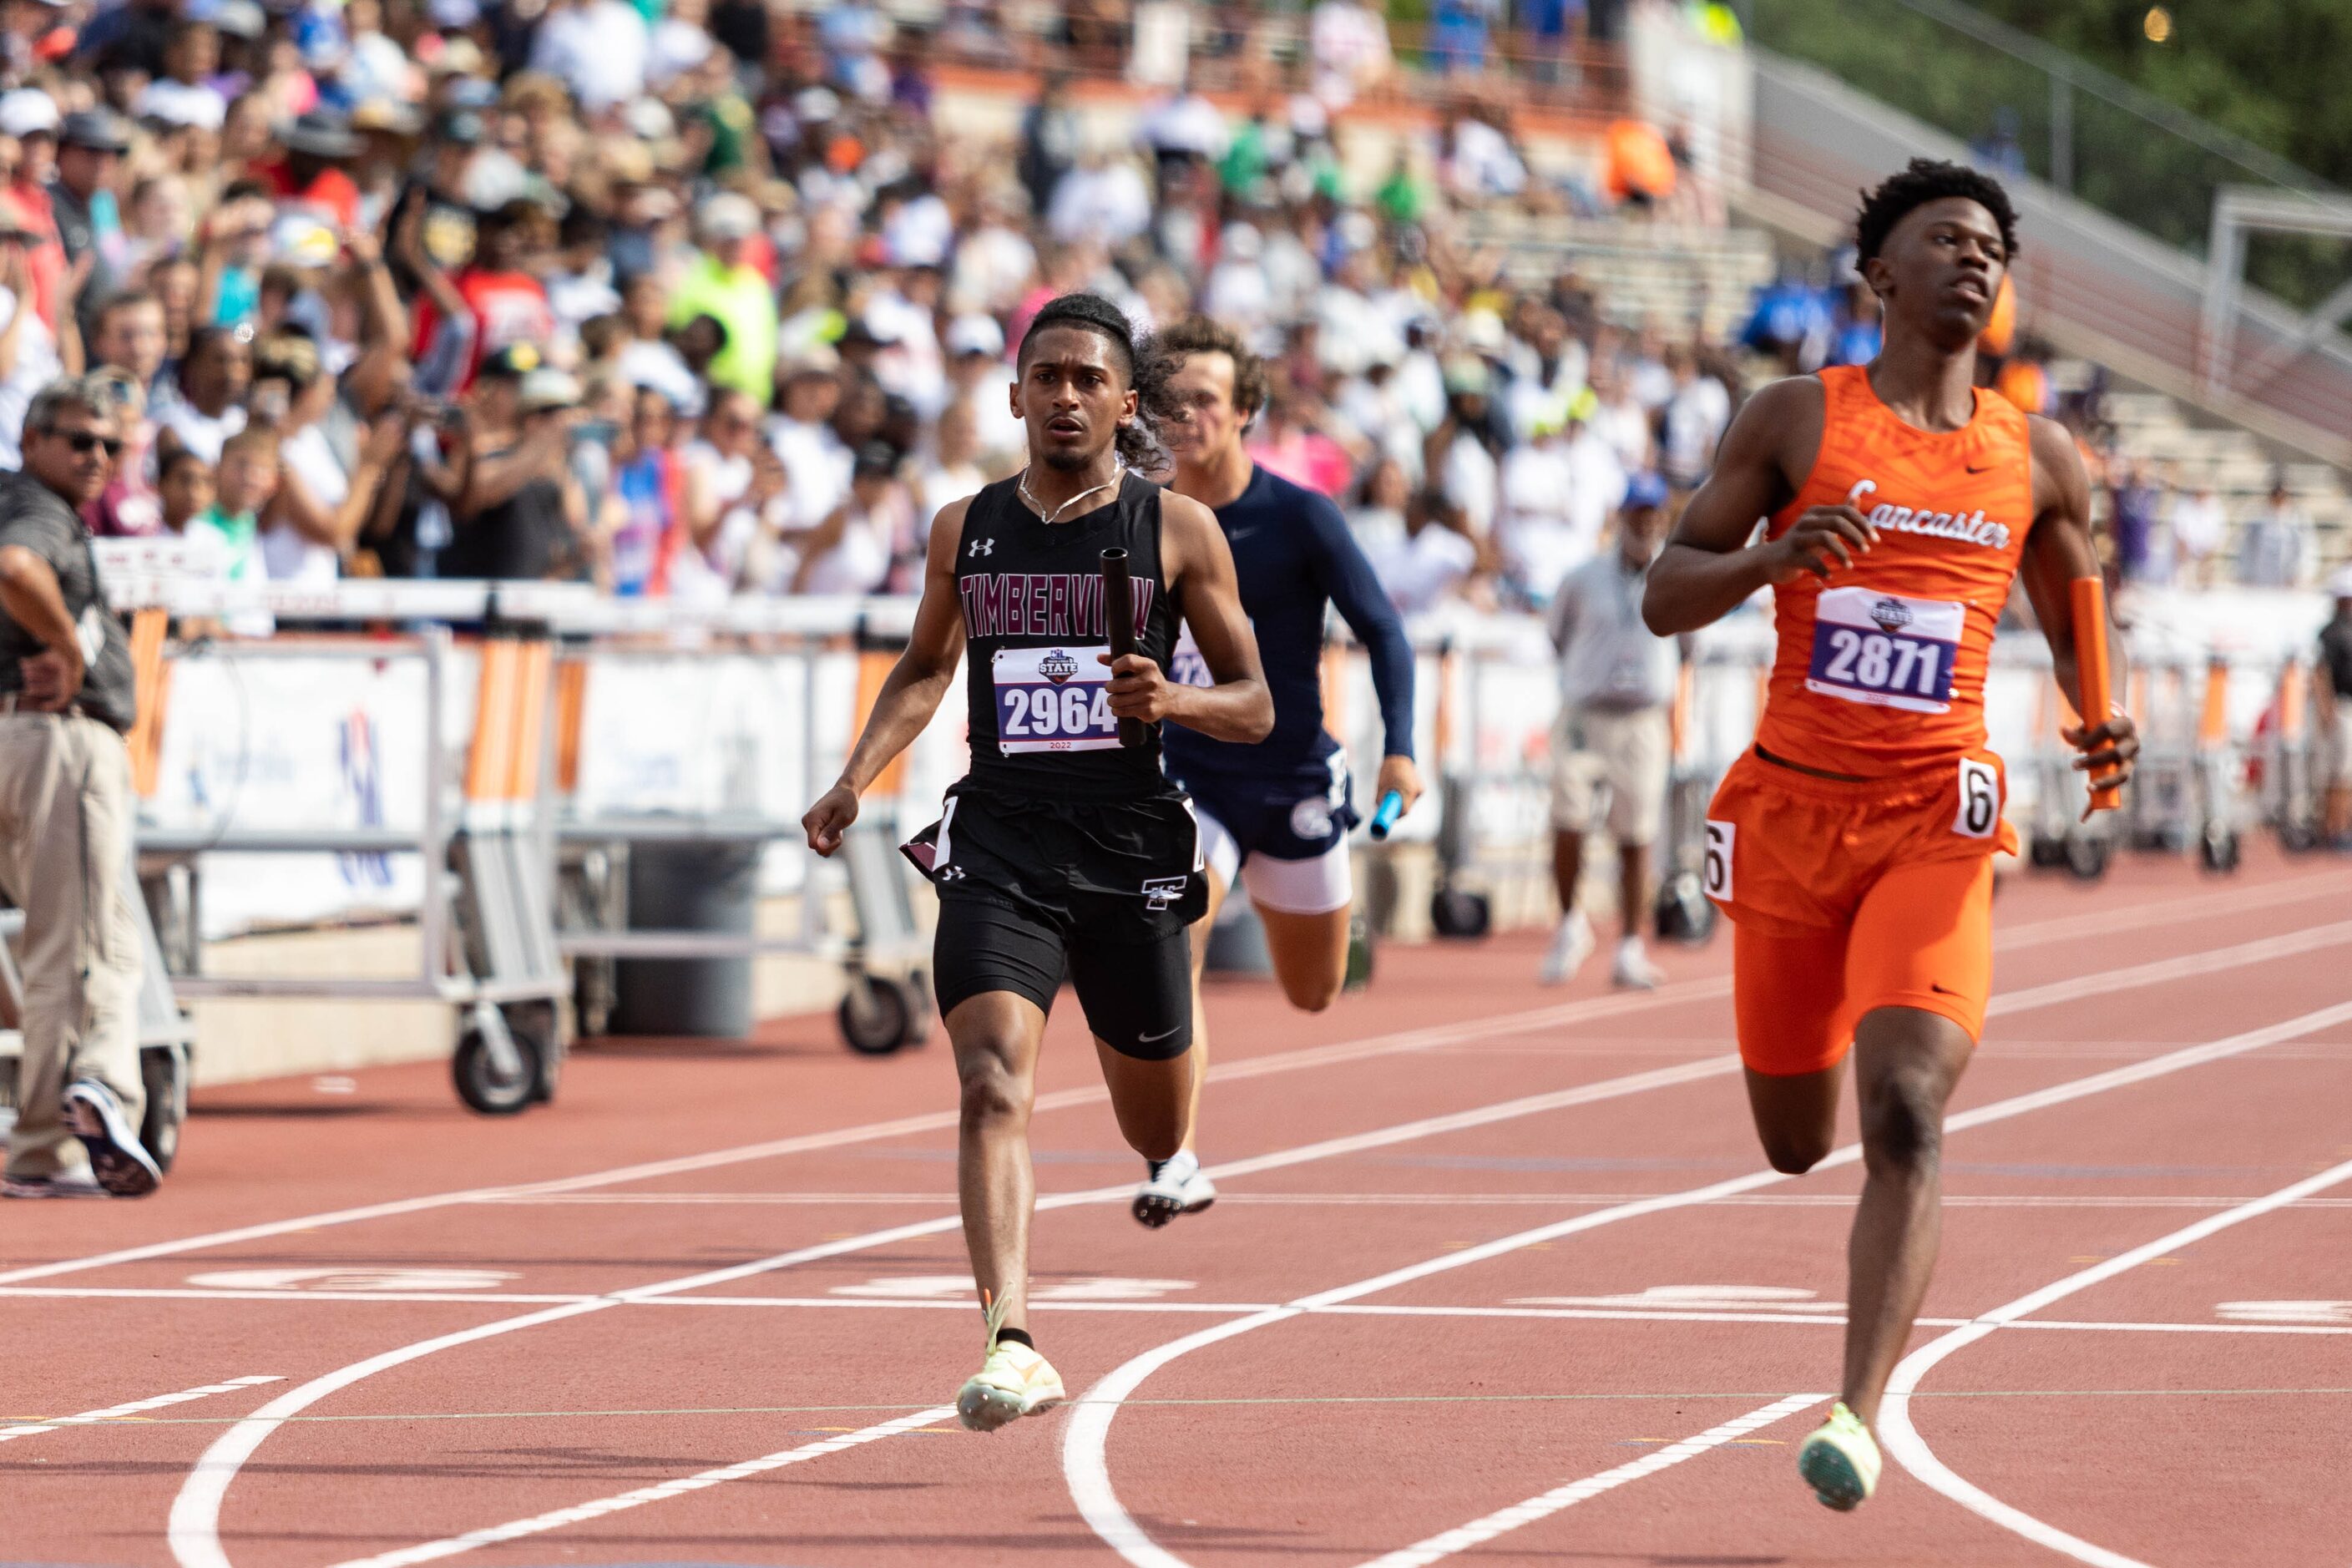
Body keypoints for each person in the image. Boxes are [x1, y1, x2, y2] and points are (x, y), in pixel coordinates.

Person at [1641, 161, 2138, 1511]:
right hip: (1791, 814)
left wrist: (2103, 721)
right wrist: (1767, 560)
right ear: (1879, 276)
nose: (1972, 261)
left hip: (1936, 815)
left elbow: (2075, 599)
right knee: (1796, 1139)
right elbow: (1663, 593)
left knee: (1907, 1114)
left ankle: (1854, 1413)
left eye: (1989, 246)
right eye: (1943, 240)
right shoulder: (1795, 419)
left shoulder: (2036, 455)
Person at [800, 294, 1271, 1430]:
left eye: (1087, 379)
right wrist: (857, 773)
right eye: (1046, 376)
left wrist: (1176, 698)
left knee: (1152, 1125)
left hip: (1130, 847)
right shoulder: (967, 526)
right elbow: (925, 666)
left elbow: (1256, 706)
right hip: (1002, 836)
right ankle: (1010, 1336)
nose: (1065, 396)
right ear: (1015, 396)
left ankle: (1169, 1131)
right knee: (989, 1077)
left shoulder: (1176, 530)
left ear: (1123, 403)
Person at [1143, 314, 1419, 1225]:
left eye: (1207, 401)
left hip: (1294, 776)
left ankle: (1347, 935)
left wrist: (1402, 750)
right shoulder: (1138, 518)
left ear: (1246, 410)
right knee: (1171, 935)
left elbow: (1383, 629)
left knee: (1313, 992)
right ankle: (1175, 1155)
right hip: (1188, 773)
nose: (1188, 418)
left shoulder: (1298, 517)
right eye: (1171, 401)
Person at [0, 376, 159, 1198]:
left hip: (20, 739)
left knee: (109, 939)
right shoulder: (40, 511)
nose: (96, 456)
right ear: (32, 441)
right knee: (79, 944)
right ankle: (49, 1140)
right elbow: (17, 565)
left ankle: (90, 1090)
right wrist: (64, 643)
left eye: (110, 445)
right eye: (77, 439)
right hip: (56, 741)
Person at [1542, 473, 1679, 989]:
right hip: (1585, 712)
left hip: (1642, 717)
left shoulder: (1675, 575)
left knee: (1636, 833)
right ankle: (1570, 923)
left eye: (1651, 515)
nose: (1643, 524)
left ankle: (1628, 944)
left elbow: (1688, 646)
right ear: (1621, 518)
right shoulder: (1583, 577)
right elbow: (1556, 634)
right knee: (1568, 816)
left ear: (1662, 520)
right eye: (1635, 514)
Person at [2318, 569, 2352, 844]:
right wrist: (2326, 708)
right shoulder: (2332, 633)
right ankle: (2335, 829)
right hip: (2342, 706)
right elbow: (2322, 674)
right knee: (2342, 771)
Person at [2237, 481, 2310, 589]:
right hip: (2260, 580)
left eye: (2282, 498)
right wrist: (2246, 574)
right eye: (2276, 497)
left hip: (2287, 582)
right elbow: (2246, 550)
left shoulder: (2297, 523)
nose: (2279, 501)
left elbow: (2303, 551)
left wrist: (2298, 574)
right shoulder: (2257, 523)